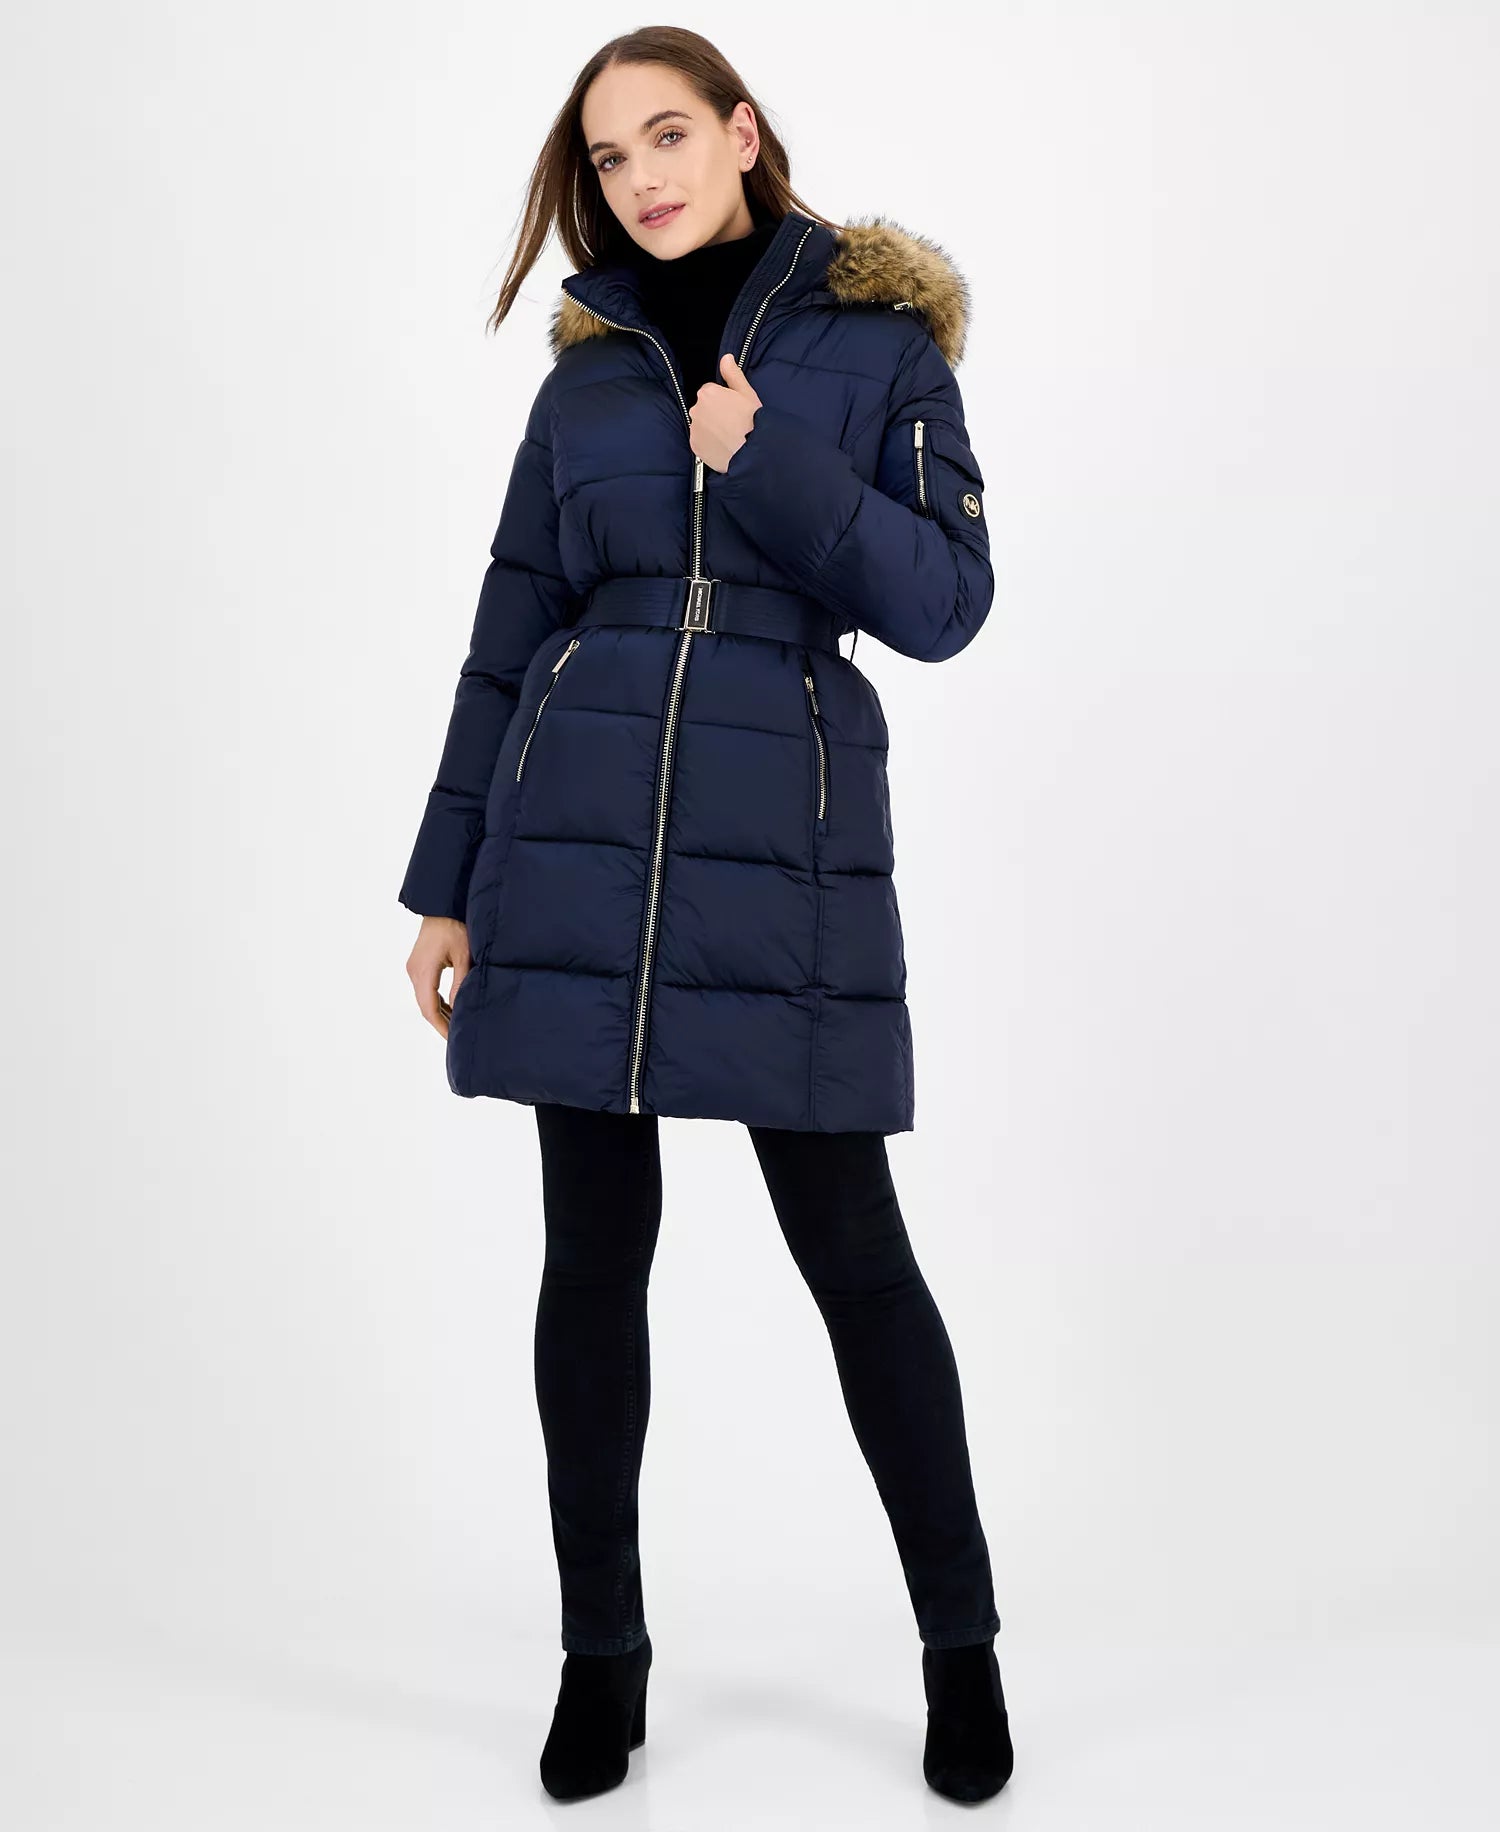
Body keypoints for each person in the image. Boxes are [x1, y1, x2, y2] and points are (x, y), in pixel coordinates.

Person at [398, 25, 1013, 1807]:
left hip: (784, 860)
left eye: (668, 135)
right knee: (590, 1267)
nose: (641, 178)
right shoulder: (585, 377)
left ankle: (961, 1650)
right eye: (609, 158)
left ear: (743, 134)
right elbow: (508, 630)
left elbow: (948, 601)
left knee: (857, 1263)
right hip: (571, 845)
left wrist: (769, 463)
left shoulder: (882, 347)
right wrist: (444, 885)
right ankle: (603, 1656)